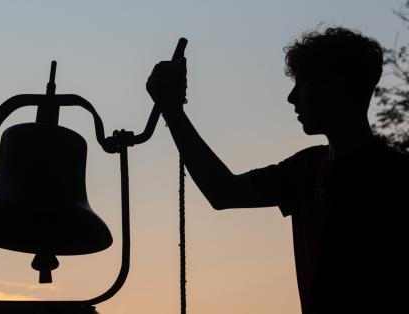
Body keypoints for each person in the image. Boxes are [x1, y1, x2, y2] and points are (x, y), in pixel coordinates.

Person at [146, 27, 408, 314]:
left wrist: (172, 108)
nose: (292, 97)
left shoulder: (389, 180)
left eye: (303, 83)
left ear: (335, 86)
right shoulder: (308, 169)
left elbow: (222, 192)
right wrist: (172, 110)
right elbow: (222, 192)